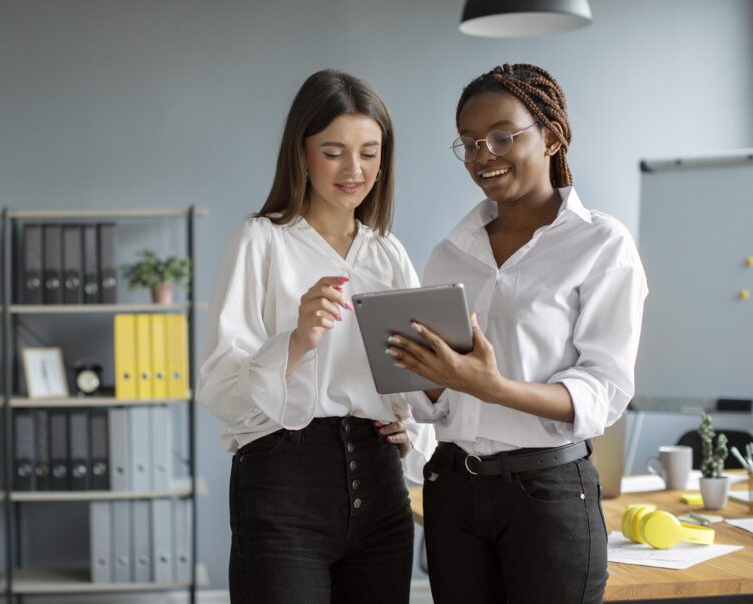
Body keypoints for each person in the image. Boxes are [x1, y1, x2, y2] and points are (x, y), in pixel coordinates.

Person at [386, 63, 648, 603]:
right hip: (453, 488)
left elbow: (605, 388)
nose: (484, 156)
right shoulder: (449, 253)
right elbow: (434, 406)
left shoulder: (602, 244)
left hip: (547, 493)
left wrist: (491, 385)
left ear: (550, 136)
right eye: (469, 143)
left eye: (503, 136)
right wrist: (427, 373)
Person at [197, 69, 435, 604]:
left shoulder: (387, 253)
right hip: (283, 485)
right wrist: (296, 339)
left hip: (379, 487)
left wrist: (413, 427)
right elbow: (218, 387)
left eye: (370, 152)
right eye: (334, 152)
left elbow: (412, 384)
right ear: (301, 153)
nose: (355, 170)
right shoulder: (260, 241)